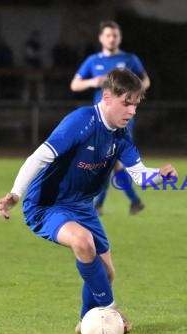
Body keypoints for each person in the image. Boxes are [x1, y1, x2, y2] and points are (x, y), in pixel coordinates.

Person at [0, 68, 177, 334]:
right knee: (83, 242)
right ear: (107, 97)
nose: (132, 111)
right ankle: (112, 309)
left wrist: (160, 176)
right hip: (47, 205)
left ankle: (86, 325)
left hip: (82, 207)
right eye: (127, 103)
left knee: (106, 275)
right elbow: (39, 157)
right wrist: (15, 194)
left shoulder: (121, 137)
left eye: (136, 105)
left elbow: (139, 176)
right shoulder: (82, 121)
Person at [70, 20, 151, 216]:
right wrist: (93, 81)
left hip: (122, 116)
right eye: (108, 35)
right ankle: (132, 201)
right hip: (100, 118)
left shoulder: (129, 59)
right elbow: (74, 85)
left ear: (120, 38)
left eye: (115, 35)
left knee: (110, 159)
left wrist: (132, 92)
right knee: (110, 161)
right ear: (101, 38)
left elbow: (146, 81)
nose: (112, 38)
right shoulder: (93, 60)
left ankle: (101, 204)